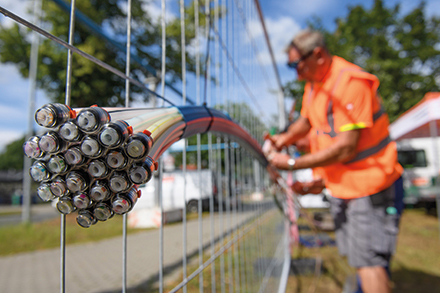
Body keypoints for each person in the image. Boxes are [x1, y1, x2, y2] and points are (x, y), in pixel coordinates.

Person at [267, 29, 404, 293]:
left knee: (370, 262)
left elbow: (345, 149)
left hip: (370, 187)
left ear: (318, 55)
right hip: (347, 188)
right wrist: (284, 139)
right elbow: (306, 122)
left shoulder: (349, 84)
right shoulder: (315, 85)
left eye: (297, 65)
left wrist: (293, 163)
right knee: (363, 258)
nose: (295, 73)